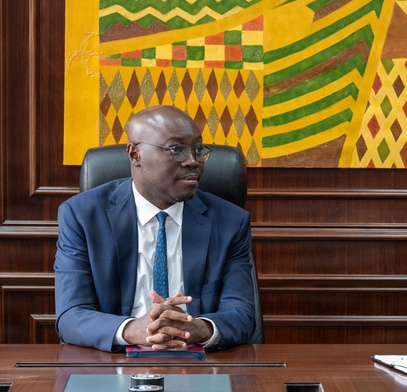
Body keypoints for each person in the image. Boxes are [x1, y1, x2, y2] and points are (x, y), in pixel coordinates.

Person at [55, 105, 256, 352]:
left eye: (197, 150)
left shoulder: (229, 221)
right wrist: (133, 330)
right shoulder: (82, 216)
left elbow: (243, 315)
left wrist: (196, 328)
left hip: (199, 363)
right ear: (134, 154)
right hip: (111, 363)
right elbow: (70, 316)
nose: (192, 161)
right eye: (176, 150)